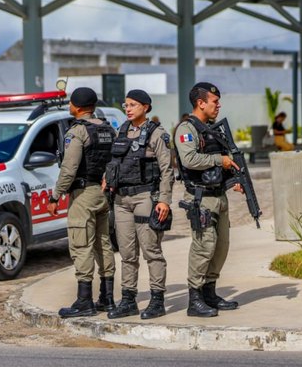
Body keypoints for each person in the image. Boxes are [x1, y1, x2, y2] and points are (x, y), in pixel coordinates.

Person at [174, 82, 244, 317]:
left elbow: (224, 160)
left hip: (219, 196)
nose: (218, 105)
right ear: (200, 103)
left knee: (221, 247)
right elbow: (189, 160)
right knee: (204, 246)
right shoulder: (187, 128)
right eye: (214, 101)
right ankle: (194, 299)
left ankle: (210, 293)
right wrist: (219, 160)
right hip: (200, 198)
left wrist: (233, 178)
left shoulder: (214, 129)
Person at [104, 90, 174, 320]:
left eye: (133, 104)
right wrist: (108, 178)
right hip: (121, 200)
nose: (128, 108)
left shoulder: (157, 134)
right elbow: (115, 161)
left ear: (145, 107)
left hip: (145, 197)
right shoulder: (122, 130)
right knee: (127, 253)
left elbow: (167, 170)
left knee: (151, 251)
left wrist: (164, 200)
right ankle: (128, 299)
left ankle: (157, 300)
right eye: (126, 105)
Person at [48, 87, 117, 318]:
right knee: (103, 244)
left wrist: (55, 196)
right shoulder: (107, 128)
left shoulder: (77, 132)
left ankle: (84, 300)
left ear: (76, 107)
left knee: (82, 245)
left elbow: (69, 169)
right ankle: (107, 298)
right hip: (103, 194)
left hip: (83, 194)